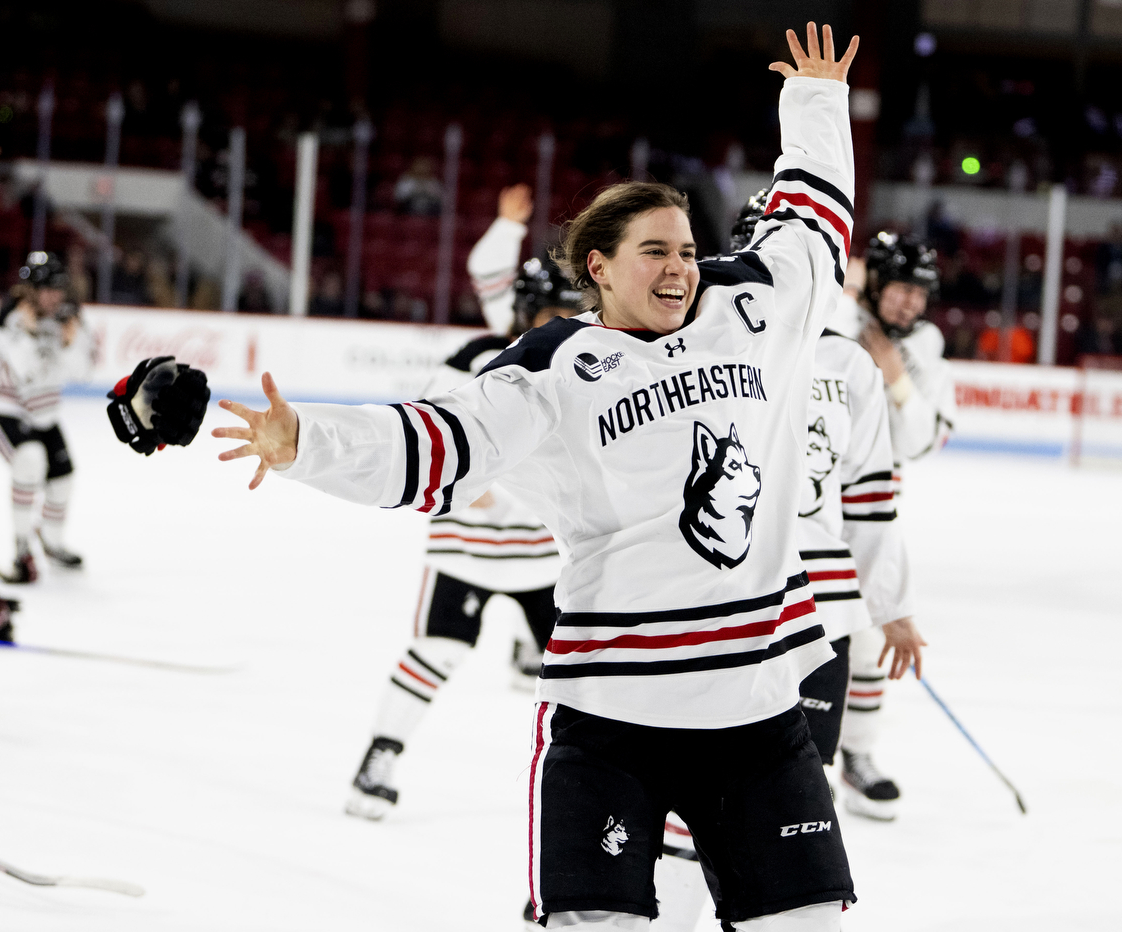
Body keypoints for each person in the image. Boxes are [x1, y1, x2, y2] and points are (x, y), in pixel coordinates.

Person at [183, 25, 859, 930]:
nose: (680, 268)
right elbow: (436, 445)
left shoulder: (750, 310)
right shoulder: (550, 366)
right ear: (598, 267)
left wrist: (814, 102)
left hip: (758, 714)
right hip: (613, 720)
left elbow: (813, 224)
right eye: (654, 251)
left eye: (688, 249)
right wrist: (302, 440)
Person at [652, 197, 929, 929]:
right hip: (720, 603)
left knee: (801, 787)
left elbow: (871, 496)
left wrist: (891, 605)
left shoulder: (851, 366)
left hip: (817, 610)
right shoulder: (686, 348)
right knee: (698, 777)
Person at [346, 185, 584, 821]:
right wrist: (458, 478)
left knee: (586, 682)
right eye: (551, 313)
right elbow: (428, 428)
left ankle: (590, 805)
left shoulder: (587, 364)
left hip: (544, 554)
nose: (565, 324)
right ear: (523, 312)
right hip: (469, 547)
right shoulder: (479, 359)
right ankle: (380, 755)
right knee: (437, 651)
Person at [827, 231, 950, 818]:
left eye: (919, 292)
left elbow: (922, 440)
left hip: (877, 508)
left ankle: (859, 756)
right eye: (900, 287)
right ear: (873, 282)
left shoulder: (925, 345)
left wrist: (895, 376)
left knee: (872, 638)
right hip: (815, 505)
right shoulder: (834, 318)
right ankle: (804, 760)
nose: (909, 303)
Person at [0, 252, 94, 583]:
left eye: (58, 289)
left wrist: (70, 342)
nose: (54, 296)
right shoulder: (8, 318)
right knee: (29, 460)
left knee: (63, 479)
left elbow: (83, 373)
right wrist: (27, 333)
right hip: (0, 406)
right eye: (46, 289)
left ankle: (52, 542)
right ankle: (21, 552)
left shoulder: (70, 320)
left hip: (42, 410)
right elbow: (23, 369)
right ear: (29, 290)